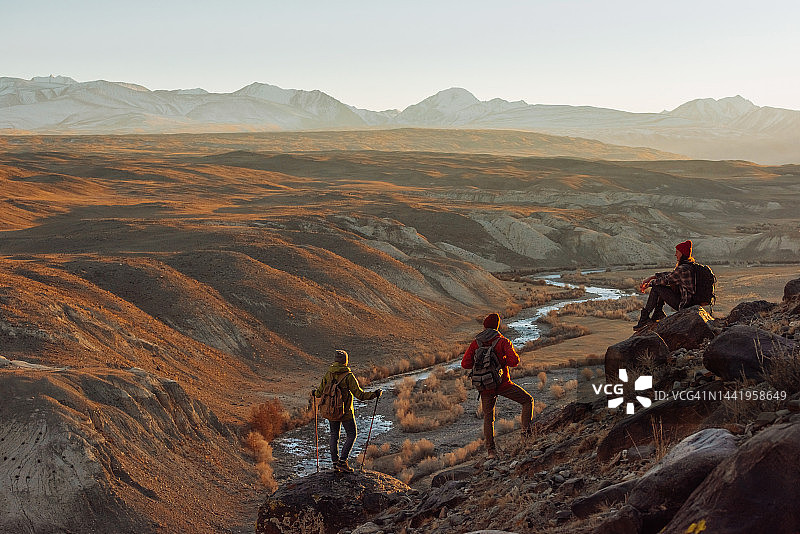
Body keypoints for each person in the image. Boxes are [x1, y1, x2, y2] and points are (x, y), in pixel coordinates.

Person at [461, 313, 533, 459]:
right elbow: (514, 361)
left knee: (488, 417)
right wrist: (501, 361)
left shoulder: (476, 343)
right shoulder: (502, 341)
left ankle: (491, 451)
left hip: (485, 385)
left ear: (484, 325)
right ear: (497, 326)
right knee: (527, 401)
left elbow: (465, 364)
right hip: (503, 383)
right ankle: (526, 436)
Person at [312, 349, 382, 472]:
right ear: (346, 361)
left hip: (331, 411)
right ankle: (342, 462)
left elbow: (319, 393)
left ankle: (335, 463)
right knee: (352, 435)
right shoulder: (348, 376)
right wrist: (374, 394)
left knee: (334, 435)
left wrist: (314, 393)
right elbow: (359, 395)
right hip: (345, 413)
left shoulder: (329, 374)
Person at [634, 240, 697, 330]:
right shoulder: (689, 266)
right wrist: (652, 277)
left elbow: (666, 280)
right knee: (660, 286)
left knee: (657, 287)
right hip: (689, 302)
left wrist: (650, 284)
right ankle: (657, 313)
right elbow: (670, 274)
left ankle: (645, 318)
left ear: (682, 253)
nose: (675, 255)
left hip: (684, 304)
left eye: (677, 252)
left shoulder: (683, 269)